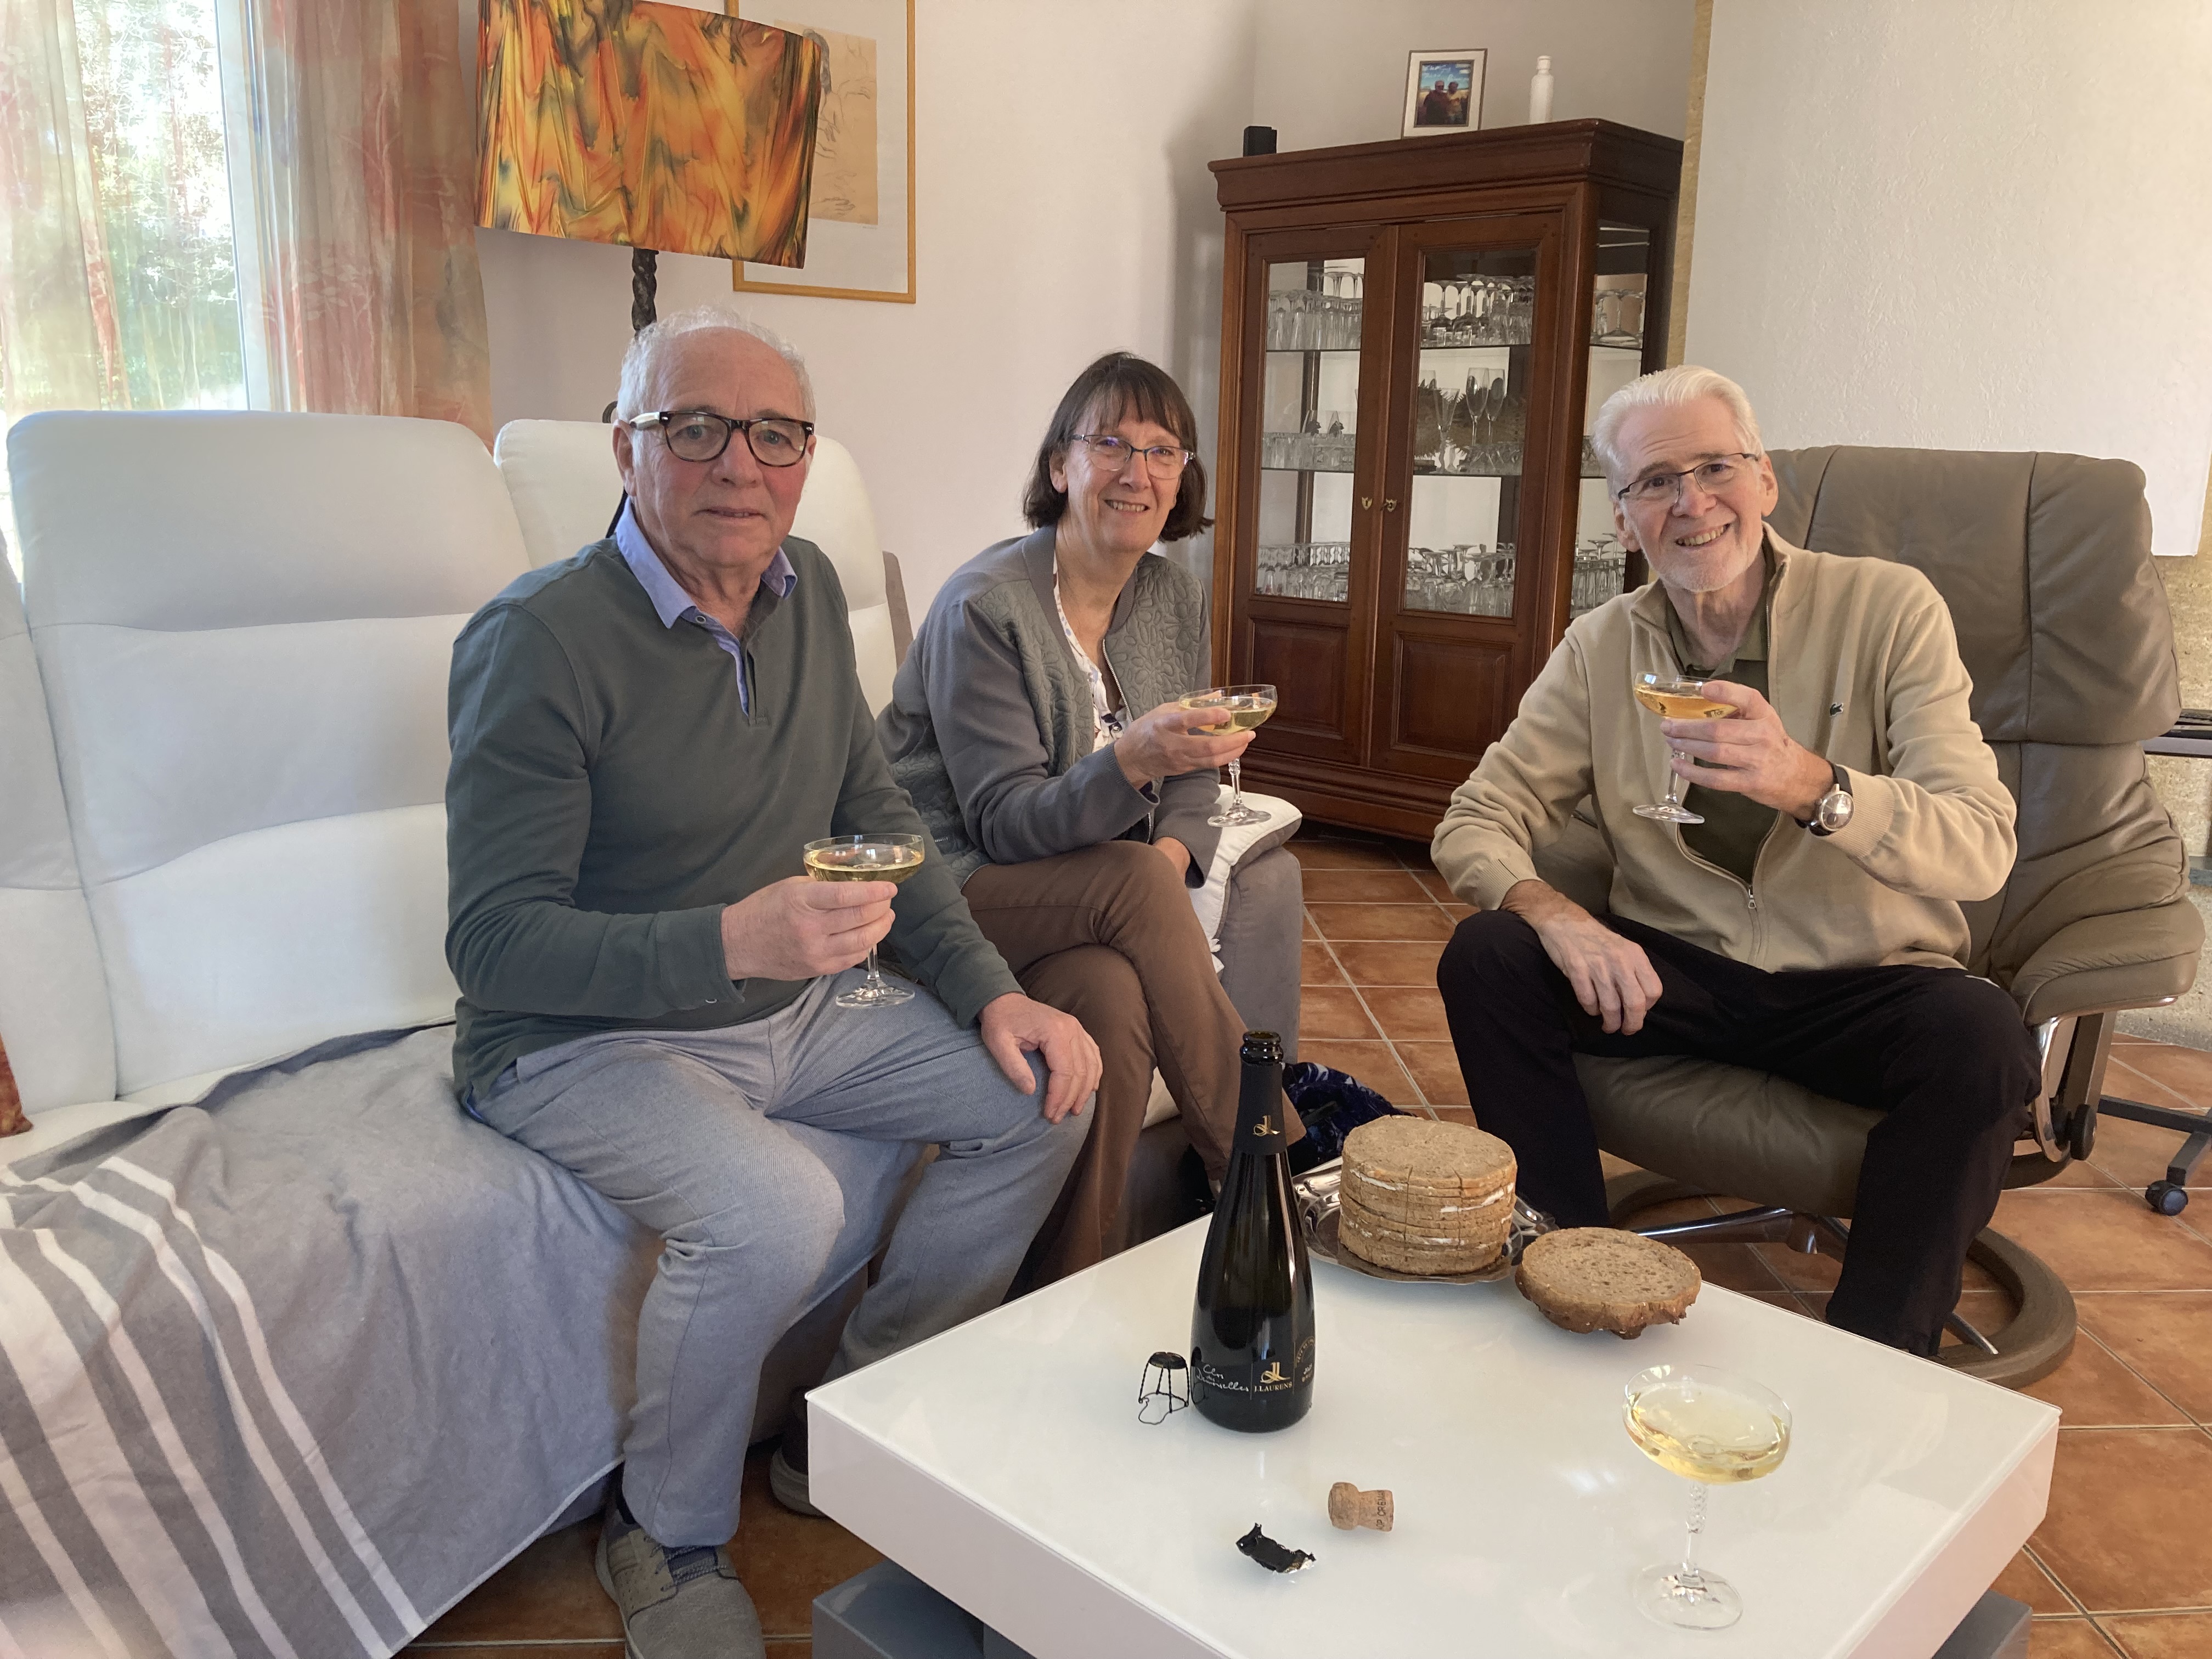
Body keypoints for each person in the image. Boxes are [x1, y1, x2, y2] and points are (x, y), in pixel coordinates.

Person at [445, 308, 1098, 1659]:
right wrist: (729, 943)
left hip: (793, 1013)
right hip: (578, 1041)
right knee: (776, 1209)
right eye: (695, 427)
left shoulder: (803, 593)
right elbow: (495, 945)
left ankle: (849, 1423)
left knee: (1044, 1087)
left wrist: (992, 994)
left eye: (776, 434)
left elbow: (880, 819)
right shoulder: (537, 640)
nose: (739, 463)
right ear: (627, 449)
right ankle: (664, 1534)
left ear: (806, 458)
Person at [1431, 364, 2034, 1359]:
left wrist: (1811, 784)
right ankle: (1573, 1281)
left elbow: (1981, 844)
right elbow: (1476, 816)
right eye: (1655, 482)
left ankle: (1876, 1361)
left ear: (1766, 482)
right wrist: (1556, 914)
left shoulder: (1889, 609)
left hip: (1860, 985)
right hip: (1677, 975)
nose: (1691, 502)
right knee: (1490, 958)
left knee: (1983, 1037)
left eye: (1716, 467)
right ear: (1624, 520)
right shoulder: (1600, 647)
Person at [877, 351, 1310, 1286]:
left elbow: (1197, 766)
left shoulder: (1170, 595)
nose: (1136, 472)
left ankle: (1071, 1289)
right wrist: (1131, 765)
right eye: (1109, 443)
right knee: (1131, 886)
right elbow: (1002, 822)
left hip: (1078, 896)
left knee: (1108, 997)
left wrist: (1170, 856)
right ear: (1059, 466)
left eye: (1162, 451)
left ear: (1182, 477)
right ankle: (1266, 1170)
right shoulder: (985, 608)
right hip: (944, 883)